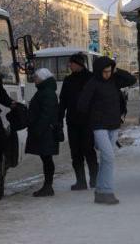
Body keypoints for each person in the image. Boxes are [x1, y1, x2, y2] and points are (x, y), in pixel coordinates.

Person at [78, 56, 136, 205]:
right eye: (105, 72)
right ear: (98, 71)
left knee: (105, 159)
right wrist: (93, 116)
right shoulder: (92, 83)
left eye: (110, 71)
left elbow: (131, 80)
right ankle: (108, 191)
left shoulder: (114, 80)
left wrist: (117, 70)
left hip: (113, 125)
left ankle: (100, 192)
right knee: (109, 157)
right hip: (98, 127)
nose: (107, 74)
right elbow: (82, 105)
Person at [58, 53, 98, 191]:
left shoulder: (91, 78)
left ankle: (94, 179)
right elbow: (63, 101)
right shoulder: (68, 80)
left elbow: (97, 100)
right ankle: (80, 181)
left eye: (72, 63)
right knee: (75, 153)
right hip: (73, 122)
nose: (69, 65)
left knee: (89, 151)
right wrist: (59, 117)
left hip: (88, 122)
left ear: (79, 64)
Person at [26, 68, 60, 197]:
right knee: (46, 159)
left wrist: (38, 130)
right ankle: (47, 186)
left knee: (47, 159)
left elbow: (46, 114)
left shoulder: (47, 93)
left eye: (36, 77)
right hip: (45, 131)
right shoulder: (44, 91)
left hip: (46, 132)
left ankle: (48, 186)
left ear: (43, 79)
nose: (34, 80)